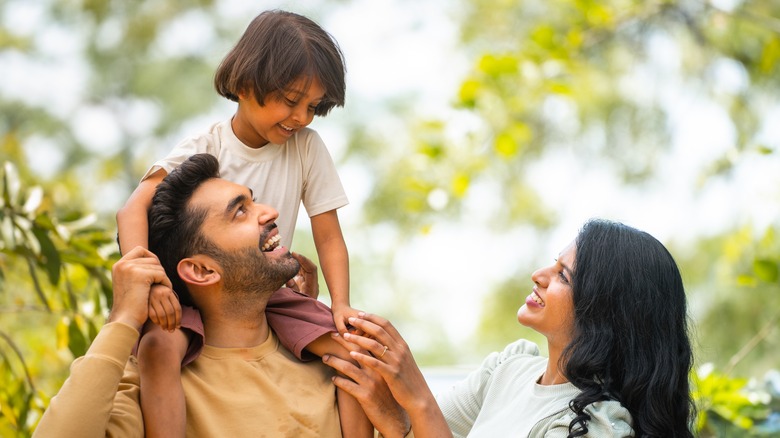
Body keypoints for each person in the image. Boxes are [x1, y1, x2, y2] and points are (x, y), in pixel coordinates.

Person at [115, 10, 368, 437]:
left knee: (353, 352)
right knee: (159, 347)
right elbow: (131, 209)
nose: (303, 117)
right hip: (195, 292)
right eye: (291, 100)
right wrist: (153, 285)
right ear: (247, 84)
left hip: (264, 286)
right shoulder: (207, 147)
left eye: (313, 106)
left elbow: (329, 234)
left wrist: (340, 305)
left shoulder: (307, 147)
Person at [34, 153, 349, 437]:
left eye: (254, 201)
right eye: (240, 212)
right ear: (200, 270)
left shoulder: (330, 361)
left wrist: (399, 414)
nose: (270, 211)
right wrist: (123, 318)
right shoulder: (149, 386)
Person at [325, 219, 696, 437]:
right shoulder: (508, 370)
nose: (539, 276)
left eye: (563, 275)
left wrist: (416, 394)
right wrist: (386, 401)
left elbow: (424, 417)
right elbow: (421, 428)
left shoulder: (594, 426)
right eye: (554, 264)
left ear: (603, 311)